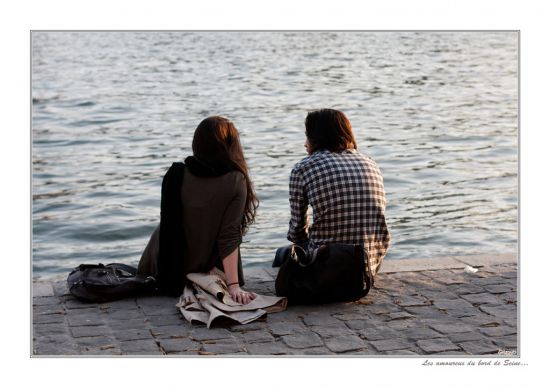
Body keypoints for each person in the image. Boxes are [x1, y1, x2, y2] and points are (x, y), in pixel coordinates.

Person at [138, 116, 258, 304]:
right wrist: (234, 285)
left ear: (197, 143)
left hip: (160, 264)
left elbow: (171, 224)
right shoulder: (236, 180)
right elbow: (229, 235)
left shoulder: (176, 173)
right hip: (203, 265)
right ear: (230, 146)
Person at [285, 108, 390, 277]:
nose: (305, 143)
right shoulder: (370, 163)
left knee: (283, 255)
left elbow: (297, 230)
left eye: (308, 136)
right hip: (368, 266)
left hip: (326, 267)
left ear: (315, 138)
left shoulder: (302, 168)